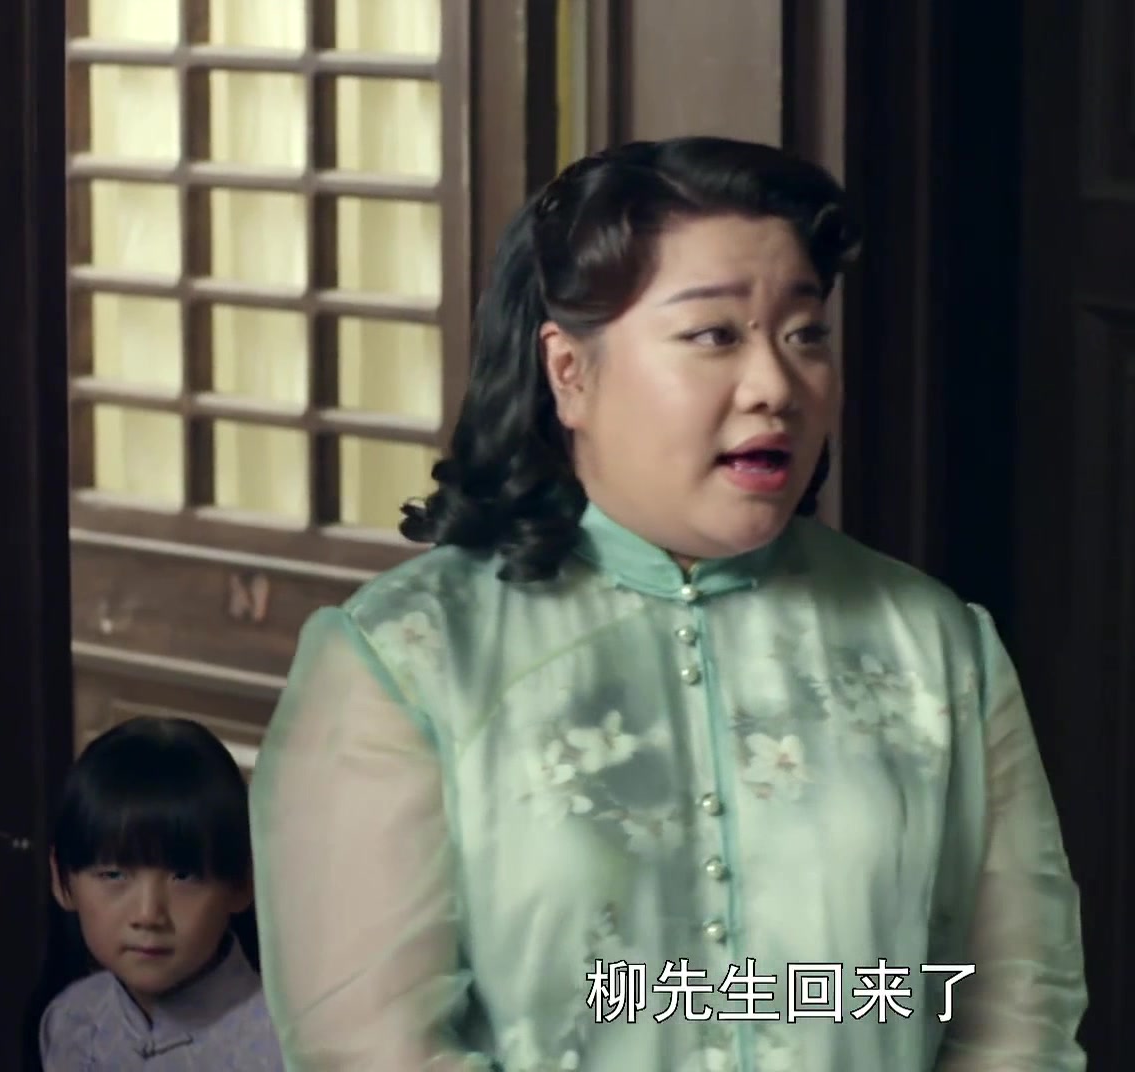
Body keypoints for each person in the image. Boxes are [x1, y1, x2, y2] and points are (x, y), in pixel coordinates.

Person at [249, 135, 1087, 1071]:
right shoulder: (407, 660)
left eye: (805, 333)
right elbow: (369, 1046)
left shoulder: (934, 645)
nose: (775, 386)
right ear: (570, 372)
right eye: (715, 335)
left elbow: (1019, 1009)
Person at [35, 716, 281, 1070]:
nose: (148, 915)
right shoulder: (70, 1020)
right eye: (114, 875)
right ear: (62, 881)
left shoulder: (284, 1046)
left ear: (242, 883)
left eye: (184, 876)